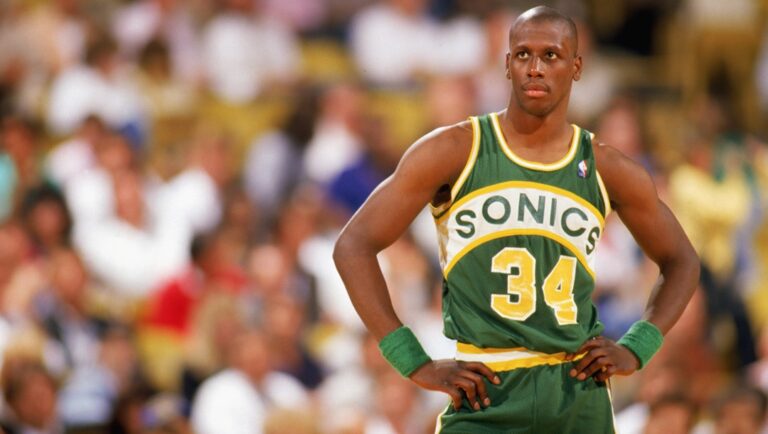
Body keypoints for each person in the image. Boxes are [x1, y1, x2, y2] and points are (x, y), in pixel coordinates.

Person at [333, 6, 700, 433]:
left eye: (551, 56)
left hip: (576, 393)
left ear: (576, 66)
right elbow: (353, 246)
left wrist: (638, 345)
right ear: (506, 64)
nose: (535, 68)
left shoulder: (607, 167)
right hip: (484, 390)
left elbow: (683, 261)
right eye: (523, 55)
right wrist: (411, 359)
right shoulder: (454, 149)